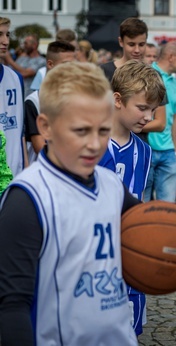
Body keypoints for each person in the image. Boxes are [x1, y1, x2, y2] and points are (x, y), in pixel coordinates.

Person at [0, 62, 139, 345]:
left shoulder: (112, 185)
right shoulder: (27, 200)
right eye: (80, 131)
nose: (94, 144)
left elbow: (152, 233)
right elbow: (13, 305)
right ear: (45, 126)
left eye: (103, 130)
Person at [97, 60, 165, 336]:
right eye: (142, 108)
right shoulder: (90, 144)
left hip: (129, 256)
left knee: (128, 334)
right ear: (117, 100)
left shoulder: (144, 151)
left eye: (153, 110)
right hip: (94, 257)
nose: (149, 117)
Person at [24, 41, 76, 164]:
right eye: (65, 64)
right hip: (42, 175)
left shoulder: (74, 98)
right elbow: (39, 147)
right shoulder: (33, 101)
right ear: (50, 64)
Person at [145, 42, 176, 202]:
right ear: (171, 57)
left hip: (168, 151)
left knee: (167, 206)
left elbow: (174, 118)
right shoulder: (147, 74)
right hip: (147, 148)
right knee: (142, 204)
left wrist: (175, 150)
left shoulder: (175, 82)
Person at [0, 17, 25, 178]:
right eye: (0, 35)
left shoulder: (16, 78)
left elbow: (21, 133)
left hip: (13, 177)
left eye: (7, 35)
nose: (5, 41)